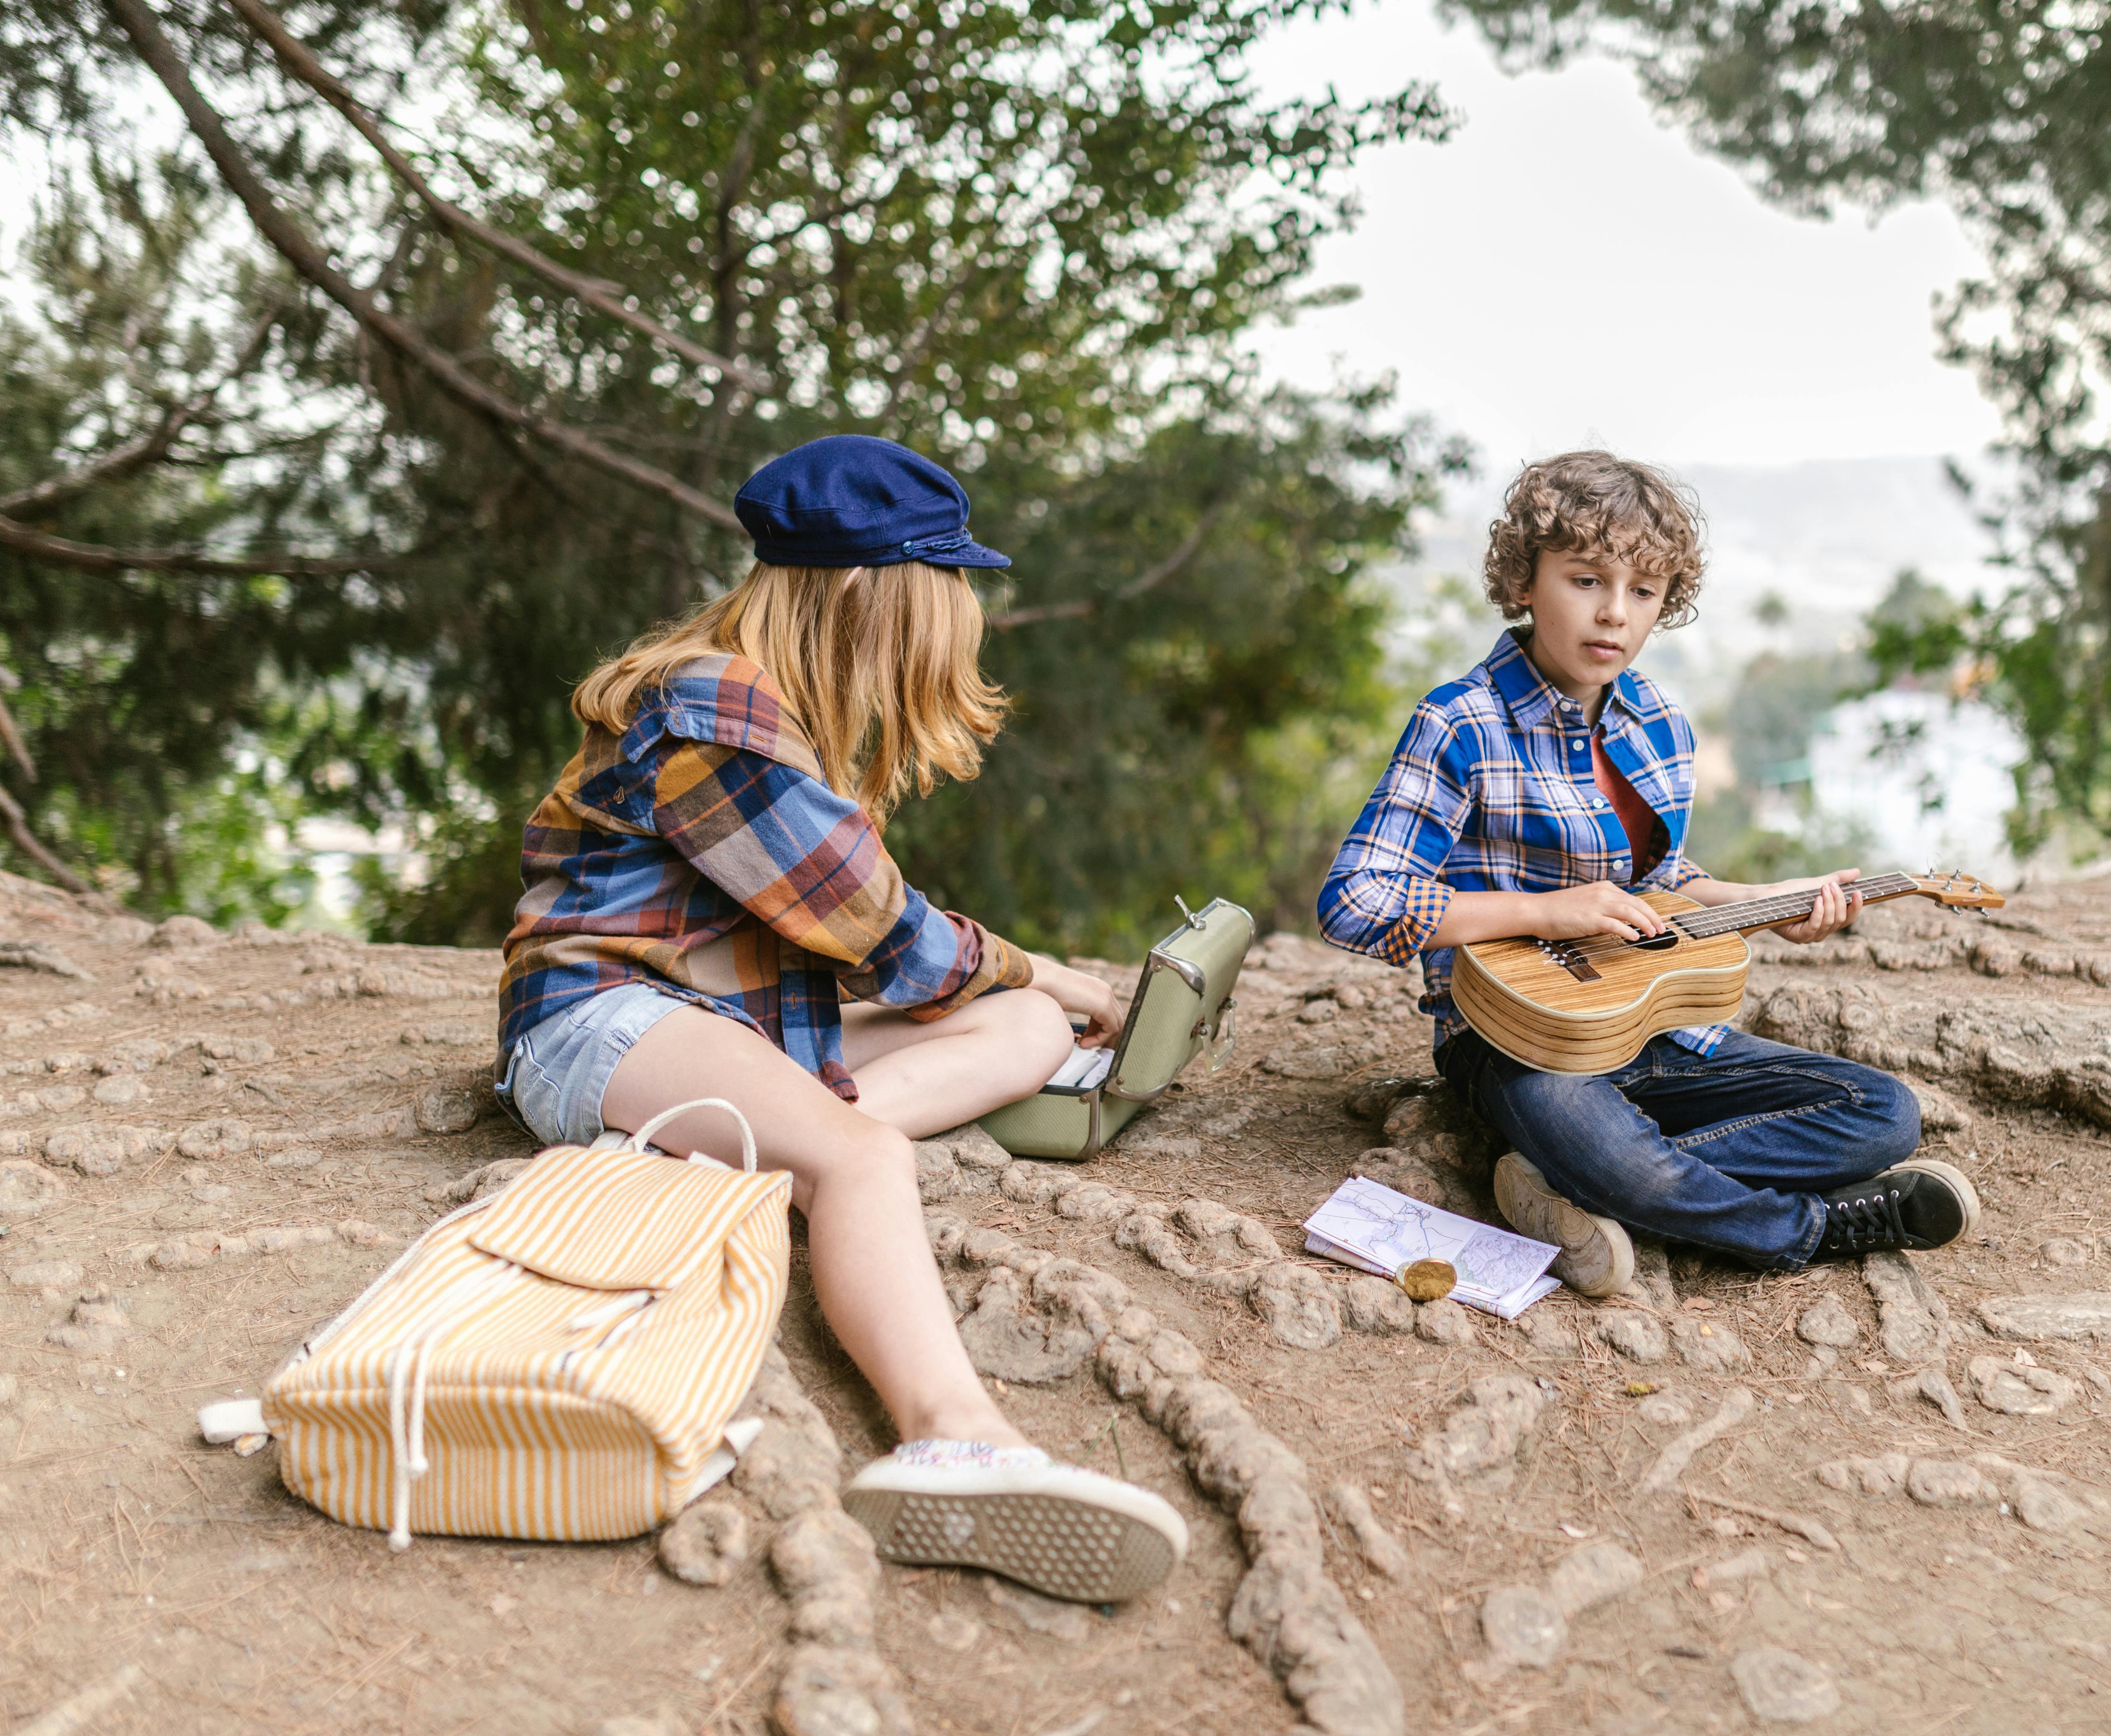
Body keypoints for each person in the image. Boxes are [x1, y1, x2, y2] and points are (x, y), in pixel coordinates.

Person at [496, 434, 1185, 1603]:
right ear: (870, 587)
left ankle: (732, 1166)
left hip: (725, 1026)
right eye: (947, 580)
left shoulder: (760, 701)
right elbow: (877, 932)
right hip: (602, 1027)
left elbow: (857, 937)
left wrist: (1032, 992)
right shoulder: (711, 703)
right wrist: (1039, 967)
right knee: (869, 1151)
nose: (959, 607)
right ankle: (954, 1440)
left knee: (1026, 1035)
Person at [1317, 450, 1978, 1296]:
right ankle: (1805, 1228)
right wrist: (1550, 913)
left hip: (1653, 1026)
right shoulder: (1461, 723)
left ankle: (1575, 1187)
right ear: (1524, 580)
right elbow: (1353, 901)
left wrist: (1760, 905)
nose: (1613, 615)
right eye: (1586, 580)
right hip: (1519, 1044)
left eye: (1642, 592)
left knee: (1885, 1114)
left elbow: (1660, 880)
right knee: (1587, 1130)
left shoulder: (1660, 723)